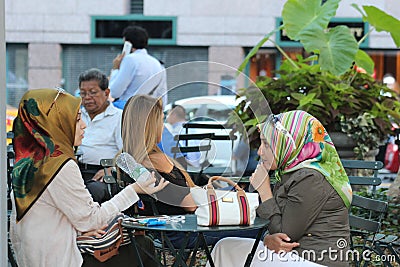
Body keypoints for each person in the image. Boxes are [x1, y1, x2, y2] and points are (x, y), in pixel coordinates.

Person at [9, 88, 168, 267]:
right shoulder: (59, 166)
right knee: (142, 246)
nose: (84, 124)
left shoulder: (29, 163)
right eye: (76, 119)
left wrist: (78, 232)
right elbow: (92, 220)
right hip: (63, 260)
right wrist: (134, 190)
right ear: (57, 124)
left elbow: (49, 218)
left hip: (33, 258)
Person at [208, 110, 353, 267]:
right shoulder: (291, 172)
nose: (260, 151)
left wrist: (264, 191)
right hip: (295, 255)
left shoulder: (310, 178)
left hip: (316, 260)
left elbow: (285, 235)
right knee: (225, 246)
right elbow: (272, 229)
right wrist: (267, 238)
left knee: (228, 250)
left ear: (289, 143)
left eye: (267, 144)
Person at [121, 95, 259, 248]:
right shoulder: (156, 162)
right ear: (150, 125)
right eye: (160, 120)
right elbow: (191, 204)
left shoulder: (129, 161)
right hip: (183, 233)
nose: (163, 126)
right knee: (259, 230)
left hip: (163, 233)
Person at [77, 68, 123, 202]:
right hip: (76, 170)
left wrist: (112, 169)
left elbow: (127, 153)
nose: (87, 98)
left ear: (106, 92)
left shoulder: (118, 117)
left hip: (103, 173)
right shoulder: (76, 115)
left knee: (92, 191)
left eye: (93, 93)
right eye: (83, 93)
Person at [109, 25, 167, 109]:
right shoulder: (157, 63)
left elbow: (114, 92)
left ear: (127, 44)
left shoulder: (129, 60)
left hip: (128, 110)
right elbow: (162, 97)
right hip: (149, 111)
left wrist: (115, 69)